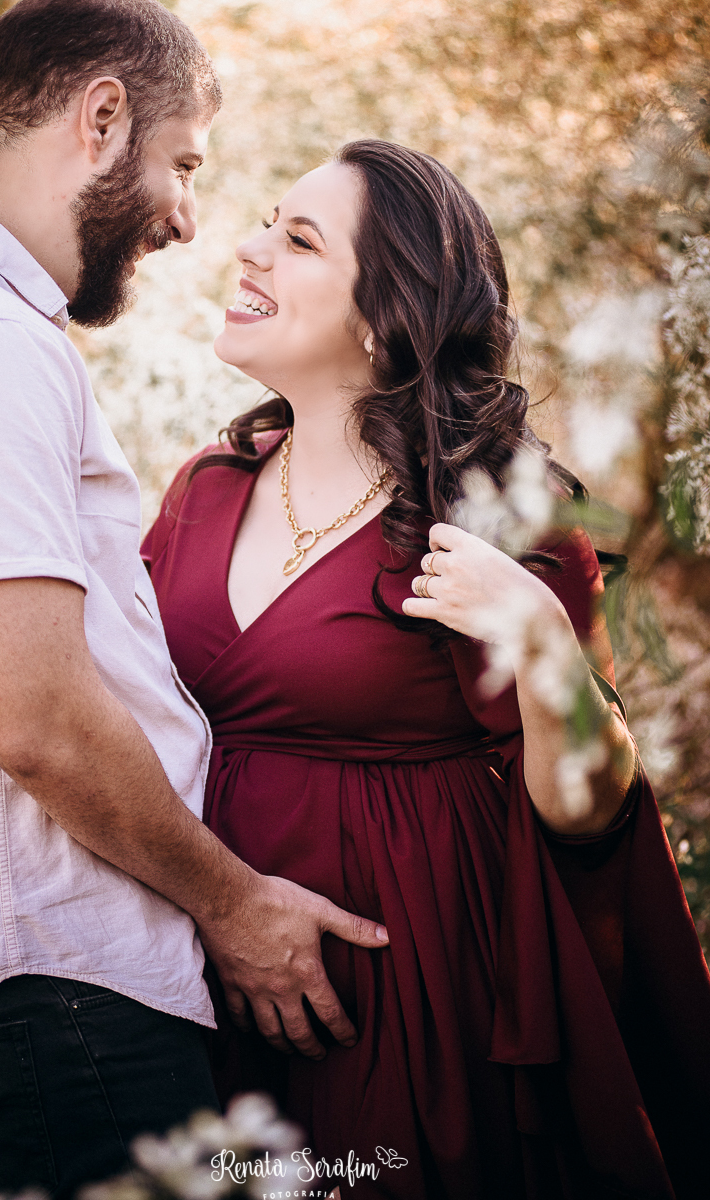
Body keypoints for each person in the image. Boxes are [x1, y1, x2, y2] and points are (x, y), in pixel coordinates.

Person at [143, 140, 710, 1199]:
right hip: (195, 974)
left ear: (384, 315)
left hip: (396, 1003)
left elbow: (589, 823)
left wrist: (542, 648)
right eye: (266, 221)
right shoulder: (203, 491)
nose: (248, 250)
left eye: (298, 239)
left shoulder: (498, 518)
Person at [0, 5, 389, 1196]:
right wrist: (234, 905)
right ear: (102, 117)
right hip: (62, 992)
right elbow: (38, 717)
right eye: (184, 164)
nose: (188, 218)